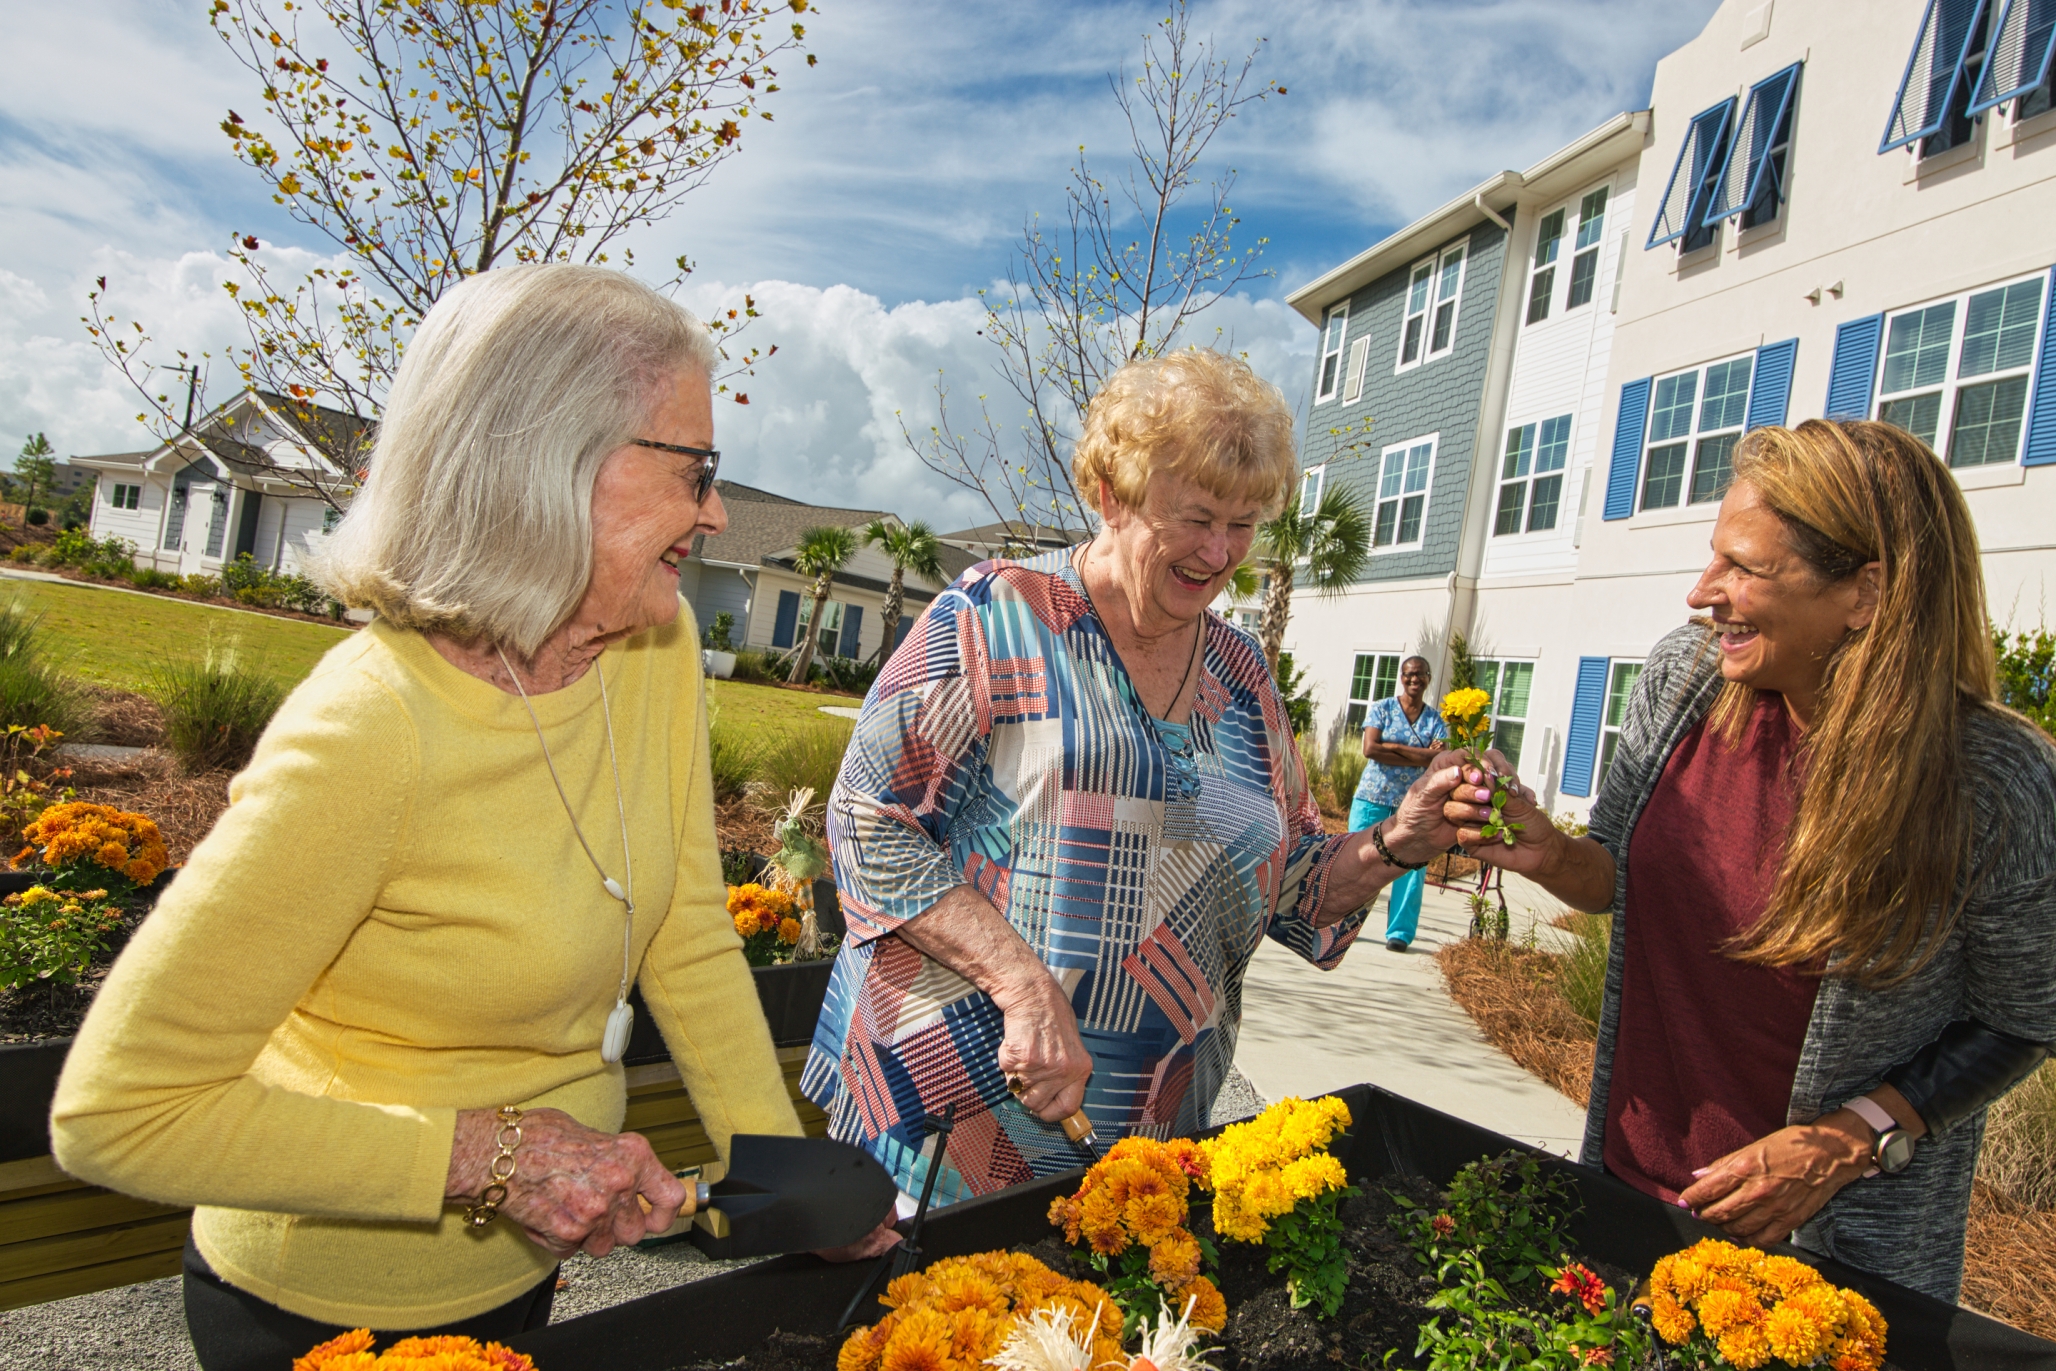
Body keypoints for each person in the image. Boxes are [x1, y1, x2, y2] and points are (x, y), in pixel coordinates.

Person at [51, 265, 891, 1371]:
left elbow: (686, 929)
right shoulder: (370, 730)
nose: (717, 511)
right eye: (696, 469)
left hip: (522, 1276)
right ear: (552, 459)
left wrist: (795, 1190)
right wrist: (497, 1159)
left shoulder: (652, 645)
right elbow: (116, 1113)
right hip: (325, 1315)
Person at [801, 349, 1463, 1206]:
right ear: (1112, 494)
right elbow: (866, 821)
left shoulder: (1242, 676)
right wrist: (1020, 982)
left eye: (1243, 523)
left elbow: (1295, 884)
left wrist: (1397, 840)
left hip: (1148, 1147)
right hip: (952, 1124)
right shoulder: (997, 617)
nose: (1219, 552)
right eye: (1195, 517)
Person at [1437, 419, 2056, 1301]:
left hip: (1825, 1269)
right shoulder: (1684, 681)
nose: (1703, 592)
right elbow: (1615, 873)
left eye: (1745, 568)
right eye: (1713, 558)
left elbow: (2024, 1018)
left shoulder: (1993, 778)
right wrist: (1551, 853)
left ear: (1866, 592)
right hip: (1631, 1201)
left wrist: (1847, 1139)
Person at [1350, 655, 1448, 951]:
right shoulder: (1382, 709)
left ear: (1429, 678)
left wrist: (1391, 747)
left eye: (1420, 674)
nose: (1414, 679)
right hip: (1373, 797)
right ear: (1401, 677)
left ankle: (1400, 933)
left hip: (1415, 804)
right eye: (1409, 674)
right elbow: (1370, 749)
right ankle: (1344, 922)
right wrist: (1419, 754)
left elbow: (1438, 758)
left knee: (1412, 868)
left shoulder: (1435, 720)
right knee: (1356, 860)